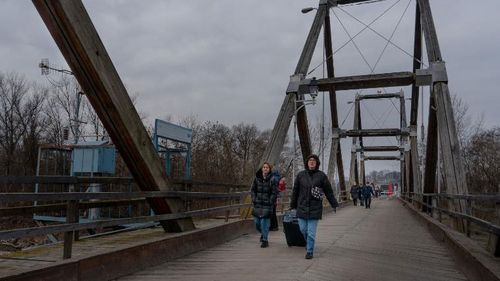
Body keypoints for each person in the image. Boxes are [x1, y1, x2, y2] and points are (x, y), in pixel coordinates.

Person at [291, 154, 338, 259]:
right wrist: (292, 205)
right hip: (301, 207)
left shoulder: (322, 176)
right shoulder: (300, 175)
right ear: (307, 163)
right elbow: (295, 191)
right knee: (303, 230)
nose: (311, 162)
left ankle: (310, 251)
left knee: (311, 233)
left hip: (315, 209)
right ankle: (308, 245)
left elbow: (329, 192)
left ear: (317, 163)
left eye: (314, 160)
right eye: (310, 160)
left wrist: (334, 204)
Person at [251, 162, 278, 248]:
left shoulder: (273, 179)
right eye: (264, 167)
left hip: (267, 205)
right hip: (258, 204)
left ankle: (265, 240)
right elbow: (252, 190)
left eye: (267, 167)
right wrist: (254, 199)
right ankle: (263, 234)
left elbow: (274, 192)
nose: (265, 168)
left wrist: (270, 201)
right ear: (262, 169)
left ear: (269, 169)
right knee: (257, 223)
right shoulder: (256, 178)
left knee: (264, 223)